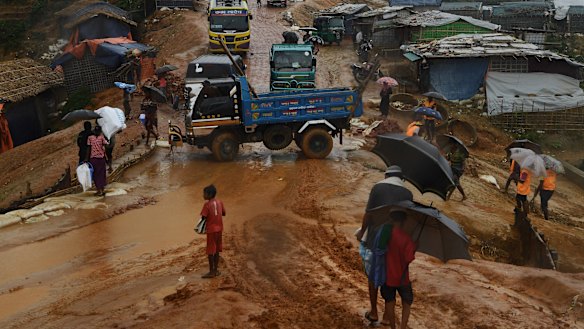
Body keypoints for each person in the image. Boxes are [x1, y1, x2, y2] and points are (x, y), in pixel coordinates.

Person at [356, 166, 413, 324]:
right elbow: (408, 221)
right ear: (401, 179)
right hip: (395, 243)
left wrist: (362, 233)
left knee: (373, 276)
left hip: (376, 238)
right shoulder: (408, 193)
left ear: (386, 175)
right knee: (391, 276)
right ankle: (388, 317)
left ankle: (374, 312)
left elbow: (369, 213)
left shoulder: (378, 187)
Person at [381, 210, 416, 329]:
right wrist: (414, 247)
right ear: (403, 222)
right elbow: (409, 258)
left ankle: (392, 327)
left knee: (389, 301)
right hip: (402, 279)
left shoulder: (386, 235)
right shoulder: (407, 239)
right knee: (407, 302)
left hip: (387, 276)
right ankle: (403, 326)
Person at [200, 184, 226, 278]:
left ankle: (211, 272)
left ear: (209, 194)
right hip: (219, 228)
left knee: (211, 251)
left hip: (211, 230)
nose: (203, 195)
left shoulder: (207, 204)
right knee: (217, 250)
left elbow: (203, 216)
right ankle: (215, 270)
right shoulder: (220, 202)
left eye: (204, 193)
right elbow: (223, 213)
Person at [86, 125, 109, 196]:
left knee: (96, 175)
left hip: (93, 159)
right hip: (101, 159)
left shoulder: (90, 138)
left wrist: (86, 159)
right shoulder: (102, 138)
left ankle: (99, 190)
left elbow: (88, 149)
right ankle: (102, 190)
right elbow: (107, 146)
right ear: (100, 131)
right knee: (101, 174)